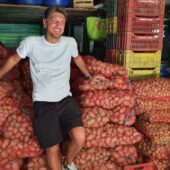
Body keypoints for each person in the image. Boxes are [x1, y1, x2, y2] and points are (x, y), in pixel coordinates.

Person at [0, 7, 92, 170]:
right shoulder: (31, 43)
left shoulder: (69, 42)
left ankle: (68, 162)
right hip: (43, 103)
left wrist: (88, 75)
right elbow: (14, 59)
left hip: (65, 99)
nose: (58, 25)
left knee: (79, 138)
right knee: (52, 148)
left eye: (62, 22)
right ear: (45, 23)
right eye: (54, 21)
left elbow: (77, 59)